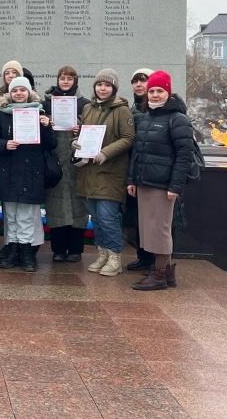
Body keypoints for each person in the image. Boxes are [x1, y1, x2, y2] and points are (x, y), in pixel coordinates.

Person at [126, 70, 195, 291]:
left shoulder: (178, 119)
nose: (155, 95)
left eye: (160, 91)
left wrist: (175, 185)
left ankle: (159, 274)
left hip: (163, 185)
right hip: (144, 182)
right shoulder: (146, 118)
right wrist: (132, 180)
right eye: (152, 91)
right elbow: (138, 152)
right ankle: (166, 274)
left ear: (168, 93)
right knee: (148, 228)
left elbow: (184, 155)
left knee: (160, 230)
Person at [0, 77, 56, 272]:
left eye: (22, 90)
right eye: (15, 90)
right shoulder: (3, 114)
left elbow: (51, 144)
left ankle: (26, 252)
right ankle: (12, 249)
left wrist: (46, 126)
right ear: (10, 93)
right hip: (9, 172)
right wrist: (4, 145)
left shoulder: (39, 113)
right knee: (11, 214)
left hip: (31, 172)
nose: (19, 93)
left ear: (29, 92)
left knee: (26, 215)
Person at [75, 69, 135, 277]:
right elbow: (84, 132)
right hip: (90, 172)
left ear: (114, 88)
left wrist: (105, 153)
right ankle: (102, 254)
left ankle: (115, 256)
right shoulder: (89, 108)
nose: (103, 88)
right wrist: (78, 143)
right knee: (97, 218)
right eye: (99, 84)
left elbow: (128, 138)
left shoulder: (122, 110)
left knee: (108, 216)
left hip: (111, 172)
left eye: (107, 85)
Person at [42, 66, 90, 262]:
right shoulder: (46, 103)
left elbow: (92, 131)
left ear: (75, 81)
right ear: (58, 79)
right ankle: (59, 249)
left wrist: (81, 128)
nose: (66, 81)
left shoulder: (85, 104)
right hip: (54, 160)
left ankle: (76, 250)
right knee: (56, 205)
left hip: (75, 160)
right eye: (63, 78)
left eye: (70, 78)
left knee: (77, 204)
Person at [125, 67, 156, 272]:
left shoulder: (159, 109)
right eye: (135, 81)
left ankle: (159, 261)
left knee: (155, 218)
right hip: (134, 168)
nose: (138, 84)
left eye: (143, 80)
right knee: (138, 217)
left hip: (155, 170)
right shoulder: (131, 110)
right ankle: (143, 256)